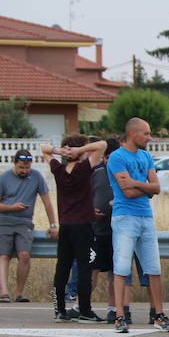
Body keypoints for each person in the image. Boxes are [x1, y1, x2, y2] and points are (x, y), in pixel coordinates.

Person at [107, 117, 169, 333]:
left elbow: (156, 187)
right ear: (133, 134)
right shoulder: (117, 157)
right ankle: (119, 316)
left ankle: (159, 314)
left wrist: (137, 183)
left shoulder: (146, 156)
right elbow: (126, 192)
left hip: (146, 216)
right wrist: (146, 186)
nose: (149, 137)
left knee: (154, 268)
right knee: (122, 267)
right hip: (125, 217)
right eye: (146, 133)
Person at [41, 135, 107, 322]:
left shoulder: (59, 169)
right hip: (83, 226)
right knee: (85, 268)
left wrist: (58, 151)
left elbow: (43, 149)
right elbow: (102, 144)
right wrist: (79, 150)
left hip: (66, 226)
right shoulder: (84, 168)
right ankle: (85, 310)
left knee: (62, 268)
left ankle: (59, 310)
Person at [0, 149, 58, 302]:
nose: (24, 171)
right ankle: (4, 292)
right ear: (14, 164)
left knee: (24, 255)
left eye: (27, 168)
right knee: (3, 255)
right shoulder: (3, 178)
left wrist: (53, 224)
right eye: (21, 168)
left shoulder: (36, 176)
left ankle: (19, 293)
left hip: (24, 223)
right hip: (4, 221)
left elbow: (47, 202)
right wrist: (12, 208)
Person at [89, 137, 119, 322]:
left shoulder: (123, 174)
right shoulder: (94, 174)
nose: (109, 161)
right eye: (106, 157)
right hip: (96, 230)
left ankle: (114, 308)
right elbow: (83, 197)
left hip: (117, 231)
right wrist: (90, 212)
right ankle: (82, 305)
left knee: (115, 273)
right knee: (91, 270)